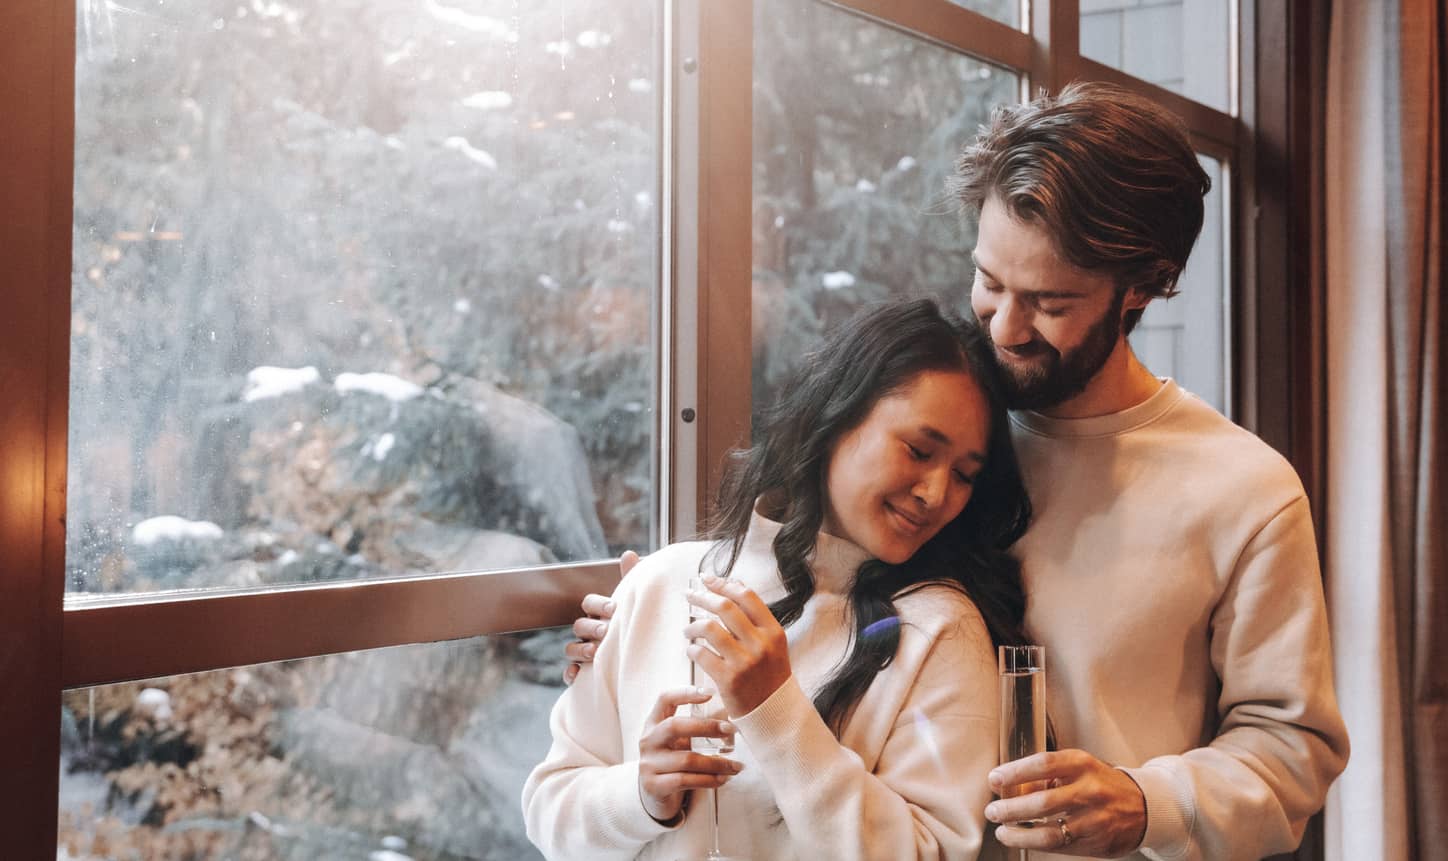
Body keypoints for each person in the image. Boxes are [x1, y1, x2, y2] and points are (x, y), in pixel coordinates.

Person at [565, 82, 1349, 861]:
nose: (1006, 327)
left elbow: (1293, 753)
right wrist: (651, 624)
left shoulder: (1244, 489)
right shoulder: (936, 414)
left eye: (1050, 301)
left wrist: (1147, 804)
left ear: (1146, 284)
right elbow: (822, 587)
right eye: (990, 281)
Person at [523, 299, 1033, 860]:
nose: (936, 493)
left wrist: (775, 710)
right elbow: (550, 808)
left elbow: (928, 853)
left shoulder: (941, 630)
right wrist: (641, 795)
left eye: (963, 475)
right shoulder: (663, 581)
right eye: (918, 450)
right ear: (837, 417)